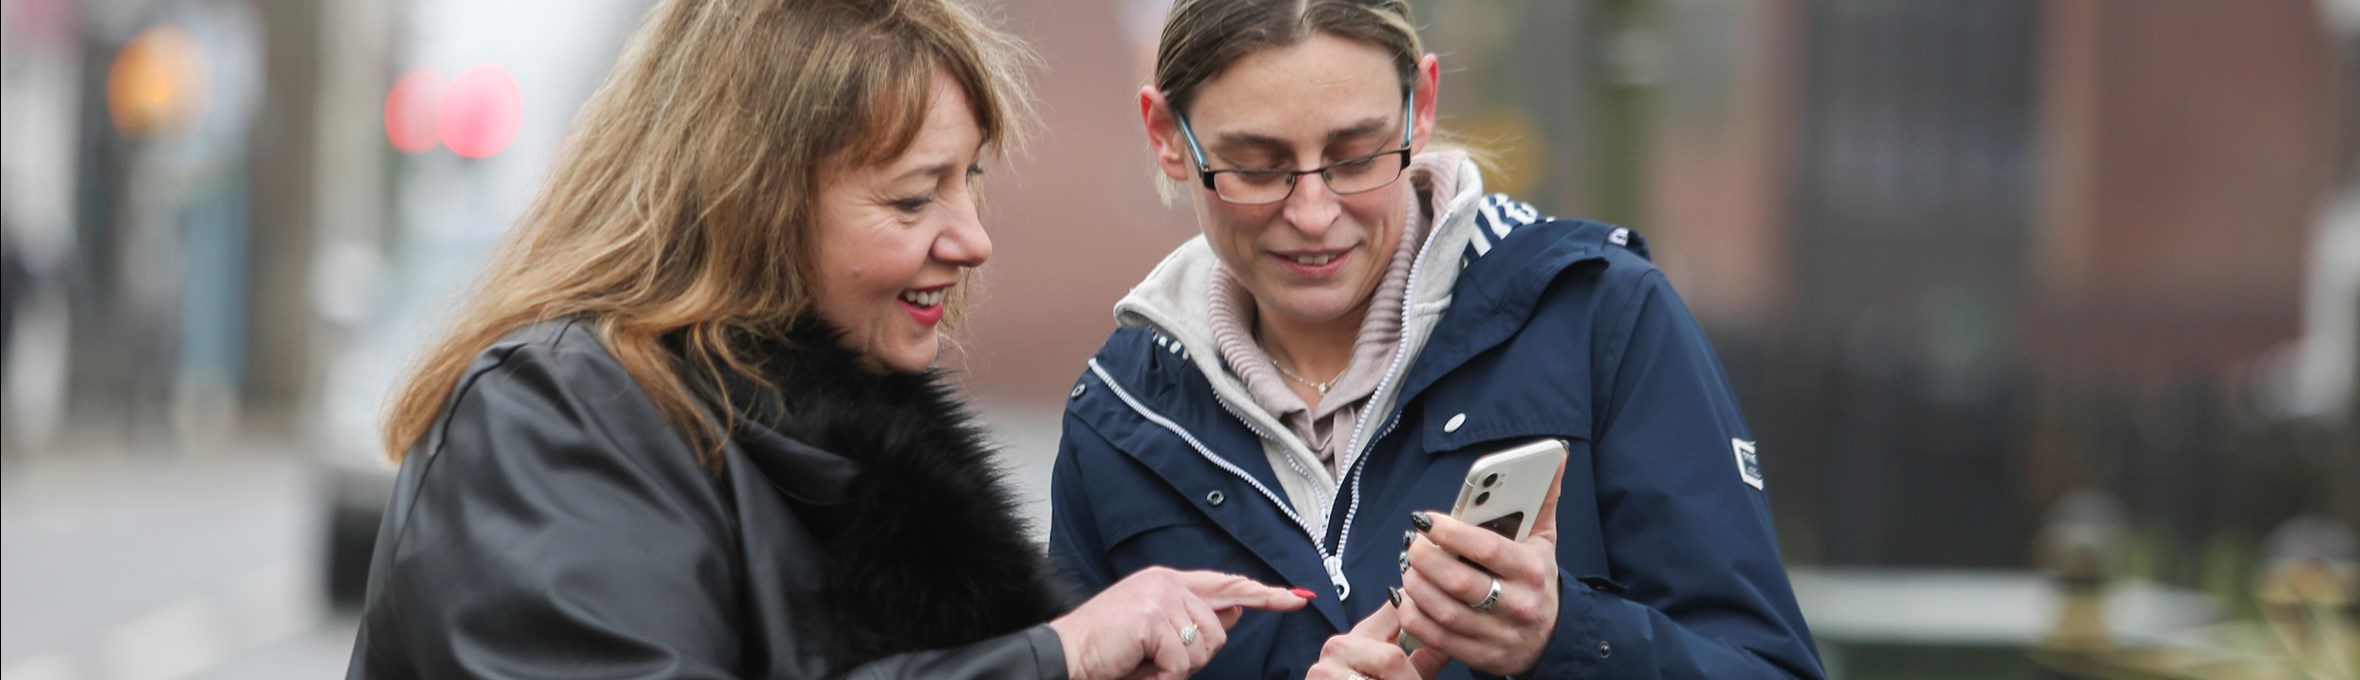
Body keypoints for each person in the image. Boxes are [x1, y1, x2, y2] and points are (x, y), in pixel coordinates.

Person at [345, 0, 1311, 677]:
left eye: (970, 179)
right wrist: (1053, 657)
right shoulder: (551, 415)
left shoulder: (842, 431)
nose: (972, 239)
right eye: (911, 196)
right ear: (749, 204)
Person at [1046, 0, 1824, 677]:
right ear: (1166, 136)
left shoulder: (1602, 318)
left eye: (1356, 154)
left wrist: (1562, 638)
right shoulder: (1116, 416)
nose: (1315, 213)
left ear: (1421, 106)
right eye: (1256, 166)